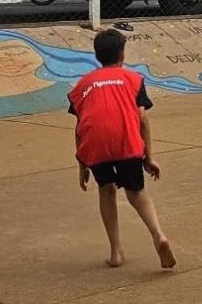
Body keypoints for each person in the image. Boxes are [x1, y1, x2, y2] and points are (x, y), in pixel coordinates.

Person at [68, 29, 176, 269]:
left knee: (106, 191)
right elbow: (142, 119)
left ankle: (116, 253)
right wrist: (149, 157)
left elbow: (79, 128)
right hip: (126, 142)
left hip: (95, 145)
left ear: (97, 55)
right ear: (122, 54)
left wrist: (82, 165)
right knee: (136, 193)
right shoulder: (133, 80)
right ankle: (159, 235)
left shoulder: (82, 86)